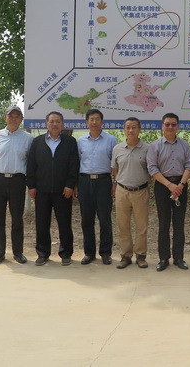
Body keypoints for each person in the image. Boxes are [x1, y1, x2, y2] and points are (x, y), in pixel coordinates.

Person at [0, 106, 33, 266]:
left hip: (18, 181)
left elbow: (31, 163)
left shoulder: (27, 138)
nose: (14, 119)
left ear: (21, 119)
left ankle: (18, 252)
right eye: (11, 116)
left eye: (17, 116)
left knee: (17, 218)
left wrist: (31, 184)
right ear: (5, 118)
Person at [27, 111, 79, 266]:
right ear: (46, 123)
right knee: (42, 223)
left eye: (57, 121)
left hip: (63, 190)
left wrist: (70, 185)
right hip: (41, 190)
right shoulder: (37, 142)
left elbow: (74, 165)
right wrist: (31, 185)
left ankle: (66, 253)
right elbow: (31, 165)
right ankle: (42, 254)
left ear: (62, 124)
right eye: (51, 121)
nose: (54, 124)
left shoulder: (70, 142)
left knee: (64, 223)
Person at [147, 113, 190, 272]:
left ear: (178, 126)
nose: (170, 127)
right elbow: (152, 169)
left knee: (179, 223)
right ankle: (163, 258)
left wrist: (180, 185)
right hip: (162, 186)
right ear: (162, 126)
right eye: (167, 124)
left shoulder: (184, 145)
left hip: (181, 185)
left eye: (173, 124)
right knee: (164, 223)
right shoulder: (155, 146)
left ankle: (179, 258)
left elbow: (188, 166)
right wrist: (169, 185)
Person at [74, 109, 118, 266]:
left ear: (102, 122)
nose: (94, 122)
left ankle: (105, 253)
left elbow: (116, 164)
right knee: (87, 219)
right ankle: (89, 253)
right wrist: (75, 185)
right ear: (86, 122)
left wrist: (115, 183)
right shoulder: (80, 141)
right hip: (84, 182)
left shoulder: (111, 140)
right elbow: (76, 163)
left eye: (97, 119)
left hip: (103, 182)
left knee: (105, 219)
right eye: (91, 119)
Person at [112, 117, 151, 269]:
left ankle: (141, 256)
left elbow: (151, 170)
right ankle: (125, 255)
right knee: (122, 225)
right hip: (122, 191)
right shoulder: (117, 149)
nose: (131, 130)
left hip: (141, 191)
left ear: (139, 129)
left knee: (141, 226)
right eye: (128, 127)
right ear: (124, 130)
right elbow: (115, 170)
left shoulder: (147, 149)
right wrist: (116, 185)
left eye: (134, 127)